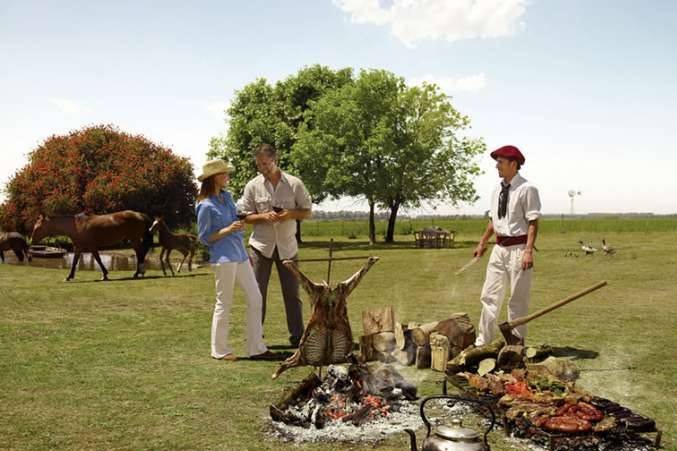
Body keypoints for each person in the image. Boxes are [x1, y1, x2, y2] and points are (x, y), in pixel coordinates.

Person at [196, 159, 279, 361]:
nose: (227, 177)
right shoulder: (204, 205)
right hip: (223, 258)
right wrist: (227, 230)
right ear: (213, 178)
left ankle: (256, 348)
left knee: (255, 298)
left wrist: (239, 228)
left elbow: (236, 222)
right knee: (224, 302)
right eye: (224, 174)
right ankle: (219, 350)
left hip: (240, 255)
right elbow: (205, 237)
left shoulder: (228, 197)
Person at [240, 144, 312, 347]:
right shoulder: (252, 186)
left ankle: (297, 337)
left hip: (288, 247)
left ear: (275, 159)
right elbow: (246, 216)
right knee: (257, 294)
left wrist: (290, 214)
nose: (262, 167)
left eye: (265, 163)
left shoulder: (295, 184)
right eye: (259, 164)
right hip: (260, 247)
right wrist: (263, 216)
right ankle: (255, 337)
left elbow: (306, 211)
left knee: (292, 294)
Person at [472, 145, 541, 346]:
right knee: (489, 295)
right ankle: (482, 342)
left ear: (514, 164)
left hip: (519, 250)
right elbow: (494, 220)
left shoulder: (527, 189)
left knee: (517, 299)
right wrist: (482, 242)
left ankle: (516, 344)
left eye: (500, 162)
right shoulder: (496, 190)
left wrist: (528, 251)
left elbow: (533, 222)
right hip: (499, 250)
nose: (497, 166)